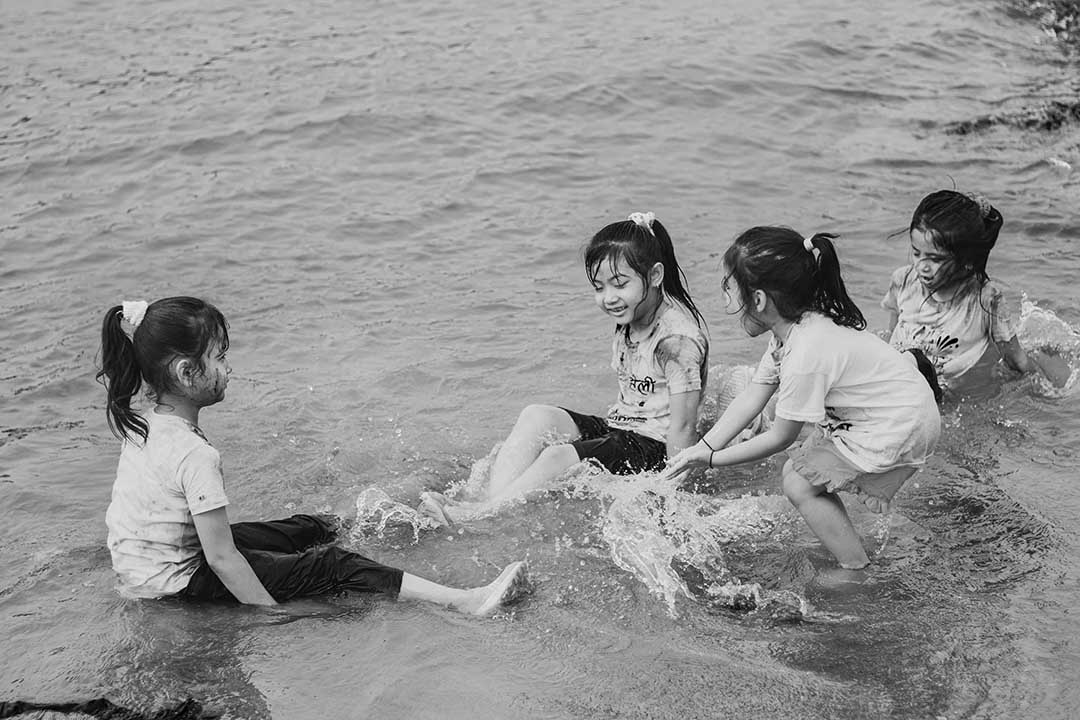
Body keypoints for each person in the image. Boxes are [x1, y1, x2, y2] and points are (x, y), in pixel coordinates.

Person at [98, 297, 529, 614]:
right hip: (178, 584)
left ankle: (372, 525)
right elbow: (222, 558)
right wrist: (271, 612)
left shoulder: (143, 421)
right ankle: (464, 602)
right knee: (333, 564)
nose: (229, 369)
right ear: (187, 372)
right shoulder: (194, 454)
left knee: (299, 530)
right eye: (220, 358)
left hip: (150, 568)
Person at [664, 227, 941, 569]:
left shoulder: (806, 353)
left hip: (899, 422)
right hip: (900, 404)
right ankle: (851, 547)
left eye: (728, 288)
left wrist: (710, 461)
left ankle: (855, 567)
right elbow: (752, 395)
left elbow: (780, 437)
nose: (724, 300)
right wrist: (703, 448)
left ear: (759, 300)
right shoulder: (795, 329)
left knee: (798, 481)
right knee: (800, 474)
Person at [420, 212, 711, 525]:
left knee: (557, 456)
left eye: (619, 284)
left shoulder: (677, 340)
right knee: (537, 415)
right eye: (599, 287)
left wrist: (672, 495)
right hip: (623, 428)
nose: (608, 298)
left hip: (654, 447)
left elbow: (683, 428)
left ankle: (475, 517)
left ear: (654, 276)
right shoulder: (633, 314)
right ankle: (489, 502)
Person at [882, 190, 1071, 392]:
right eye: (916, 253)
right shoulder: (902, 280)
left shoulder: (986, 298)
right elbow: (892, 334)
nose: (922, 266)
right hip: (904, 386)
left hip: (952, 396)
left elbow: (1016, 358)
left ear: (967, 261)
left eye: (935, 259)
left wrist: (1052, 395)